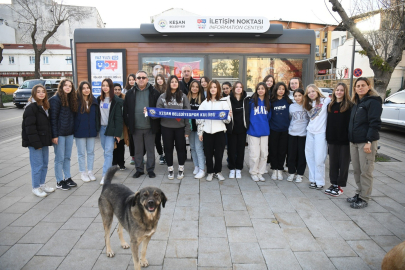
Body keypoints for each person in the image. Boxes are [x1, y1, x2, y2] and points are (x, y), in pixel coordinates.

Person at [347, 77, 382, 209]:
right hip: (354, 142)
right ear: (355, 89)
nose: (360, 87)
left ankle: (364, 198)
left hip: (366, 142)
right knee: (357, 170)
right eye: (358, 86)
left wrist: (369, 141)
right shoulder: (356, 103)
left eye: (363, 85)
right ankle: (359, 193)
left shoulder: (373, 102)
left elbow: (375, 123)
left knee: (366, 171)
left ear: (369, 87)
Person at [123, 70, 160, 178]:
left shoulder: (154, 92)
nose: (141, 80)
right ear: (135, 80)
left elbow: (158, 109)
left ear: (147, 79)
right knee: (137, 151)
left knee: (150, 150)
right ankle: (139, 170)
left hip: (150, 127)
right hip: (136, 127)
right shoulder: (130, 93)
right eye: (139, 78)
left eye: (143, 77)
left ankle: (150, 170)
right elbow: (125, 111)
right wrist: (129, 124)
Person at [22, 84, 55, 197]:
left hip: (43, 141)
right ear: (34, 94)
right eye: (38, 92)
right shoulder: (31, 107)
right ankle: (35, 187)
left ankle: (42, 184)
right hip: (35, 142)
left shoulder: (43, 106)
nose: (41, 93)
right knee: (37, 165)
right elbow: (29, 128)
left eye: (43, 91)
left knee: (44, 164)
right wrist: (36, 144)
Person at [156, 75, 191, 180]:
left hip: (180, 128)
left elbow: (188, 113)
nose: (174, 83)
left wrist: (187, 129)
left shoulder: (183, 96)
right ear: (168, 84)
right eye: (172, 82)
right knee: (168, 149)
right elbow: (157, 111)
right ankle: (170, 169)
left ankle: (181, 169)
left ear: (178, 84)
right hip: (166, 127)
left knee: (181, 149)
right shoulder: (162, 97)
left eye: (176, 81)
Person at [197, 80, 231, 181]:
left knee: (219, 154)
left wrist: (226, 116)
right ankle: (210, 172)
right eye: (211, 87)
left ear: (218, 89)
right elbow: (199, 119)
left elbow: (228, 120)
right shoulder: (204, 103)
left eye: (215, 87)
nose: (213, 89)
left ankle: (218, 171)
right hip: (207, 133)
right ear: (208, 89)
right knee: (208, 153)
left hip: (219, 132)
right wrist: (200, 133)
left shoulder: (223, 103)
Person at [324, 83, 352, 197]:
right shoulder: (330, 105)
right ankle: (333, 183)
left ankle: (340, 185)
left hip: (345, 140)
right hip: (332, 139)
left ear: (345, 92)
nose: (339, 92)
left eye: (341, 90)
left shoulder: (350, 106)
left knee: (343, 164)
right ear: (334, 91)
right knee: (333, 163)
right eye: (337, 90)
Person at [49, 79, 78, 191]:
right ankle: (59, 181)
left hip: (69, 133)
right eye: (65, 85)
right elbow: (53, 119)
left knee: (67, 157)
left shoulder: (71, 99)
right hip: (59, 135)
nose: (67, 87)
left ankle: (67, 178)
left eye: (70, 86)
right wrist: (54, 135)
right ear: (61, 87)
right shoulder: (55, 100)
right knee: (59, 158)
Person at [303, 84, 331, 190]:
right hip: (310, 132)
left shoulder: (326, 101)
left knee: (319, 158)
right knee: (310, 157)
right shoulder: (308, 103)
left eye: (313, 91)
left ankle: (320, 181)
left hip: (321, 133)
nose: (311, 93)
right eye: (309, 92)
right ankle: (313, 180)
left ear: (317, 91)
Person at [97, 78, 123, 185]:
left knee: (108, 152)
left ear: (111, 87)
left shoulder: (116, 100)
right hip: (102, 129)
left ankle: (105, 176)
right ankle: (110, 172)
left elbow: (118, 118)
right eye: (103, 85)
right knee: (106, 152)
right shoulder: (99, 99)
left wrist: (118, 134)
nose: (105, 87)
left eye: (107, 85)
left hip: (110, 129)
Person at [244, 82, 271, 182]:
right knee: (254, 154)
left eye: (263, 89)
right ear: (256, 90)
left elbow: (269, 117)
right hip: (253, 131)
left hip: (264, 131)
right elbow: (248, 115)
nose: (260, 90)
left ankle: (261, 172)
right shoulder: (251, 102)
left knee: (264, 154)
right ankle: (254, 172)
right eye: (259, 88)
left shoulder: (268, 102)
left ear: (266, 90)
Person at [74, 81, 98, 182]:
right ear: (80, 89)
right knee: (81, 153)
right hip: (79, 131)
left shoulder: (94, 100)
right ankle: (83, 172)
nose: (86, 90)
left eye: (88, 87)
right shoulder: (76, 101)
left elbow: (97, 116)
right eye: (84, 88)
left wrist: (96, 128)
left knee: (91, 152)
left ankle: (90, 172)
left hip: (91, 131)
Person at [269, 82, 292, 181]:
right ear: (275, 90)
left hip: (285, 130)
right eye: (279, 89)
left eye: (283, 89)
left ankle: (280, 169)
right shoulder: (271, 101)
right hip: (273, 129)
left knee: (282, 151)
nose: (281, 91)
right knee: (273, 150)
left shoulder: (288, 101)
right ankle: (274, 169)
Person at [287, 89, 309, 183]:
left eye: (299, 95)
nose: (297, 98)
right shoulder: (291, 106)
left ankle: (300, 174)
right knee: (291, 154)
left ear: (303, 96)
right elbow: (290, 118)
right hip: (292, 133)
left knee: (302, 155)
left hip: (303, 134)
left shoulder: (307, 106)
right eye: (295, 96)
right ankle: (291, 172)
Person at [227, 81, 247, 179]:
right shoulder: (228, 100)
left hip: (242, 129)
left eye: (240, 87)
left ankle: (239, 169)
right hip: (232, 129)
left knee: (241, 150)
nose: (238, 88)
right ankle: (232, 168)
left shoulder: (246, 100)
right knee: (231, 150)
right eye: (237, 87)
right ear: (233, 88)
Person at [187, 80, 206, 179]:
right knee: (193, 148)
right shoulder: (187, 98)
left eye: (196, 87)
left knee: (199, 148)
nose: (194, 88)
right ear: (190, 87)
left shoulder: (203, 99)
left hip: (199, 128)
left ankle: (202, 168)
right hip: (190, 127)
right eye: (193, 86)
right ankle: (196, 166)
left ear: (199, 88)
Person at [112, 83, 130, 170]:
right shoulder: (110, 99)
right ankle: (114, 164)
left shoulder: (124, 98)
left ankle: (121, 164)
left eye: (119, 89)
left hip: (122, 126)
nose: (117, 91)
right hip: (112, 126)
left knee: (121, 145)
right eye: (115, 89)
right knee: (114, 146)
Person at [263, 74, 276, 169]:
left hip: (273, 121)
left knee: (271, 144)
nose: (269, 83)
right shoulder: (261, 92)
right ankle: (265, 162)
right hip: (264, 122)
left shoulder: (274, 94)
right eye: (268, 80)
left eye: (271, 81)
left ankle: (270, 162)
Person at [123, 74, 136, 164]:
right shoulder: (124, 91)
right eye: (130, 80)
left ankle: (140, 156)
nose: (131, 81)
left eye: (133, 79)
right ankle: (133, 157)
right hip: (129, 119)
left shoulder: (138, 90)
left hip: (137, 118)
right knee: (131, 139)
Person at [154, 74, 167, 165]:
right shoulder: (153, 90)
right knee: (157, 139)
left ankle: (167, 154)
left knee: (166, 138)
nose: (159, 81)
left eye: (161, 79)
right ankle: (161, 154)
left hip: (166, 118)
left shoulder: (167, 89)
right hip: (156, 119)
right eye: (158, 79)